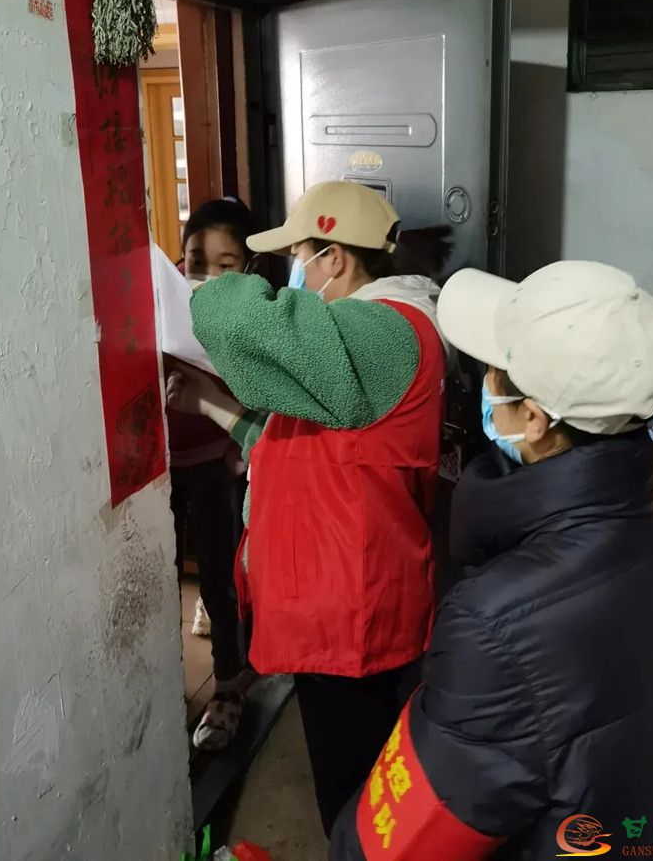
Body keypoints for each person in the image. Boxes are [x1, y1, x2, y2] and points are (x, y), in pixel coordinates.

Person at [329, 260, 653, 861]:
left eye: (490, 372)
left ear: (534, 419)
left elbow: (401, 844)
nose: (482, 386)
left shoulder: (496, 622)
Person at [166, 181, 453, 835]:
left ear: (334, 258)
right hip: (345, 606)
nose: (292, 273)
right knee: (358, 776)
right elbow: (296, 447)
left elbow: (240, 321)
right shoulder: (356, 348)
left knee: (354, 799)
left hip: (353, 616)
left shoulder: (383, 332)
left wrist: (190, 289)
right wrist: (206, 403)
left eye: (297, 256)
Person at [167, 196, 264, 751]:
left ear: (249, 267)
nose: (205, 275)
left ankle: (228, 687)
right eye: (195, 261)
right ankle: (161, 684)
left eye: (225, 265)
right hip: (157, 468)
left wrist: (235, 450)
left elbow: (256, 394)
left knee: (221, 578)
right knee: (160, 578)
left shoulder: (252, 314)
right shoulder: (161, 301)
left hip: (215, 462)